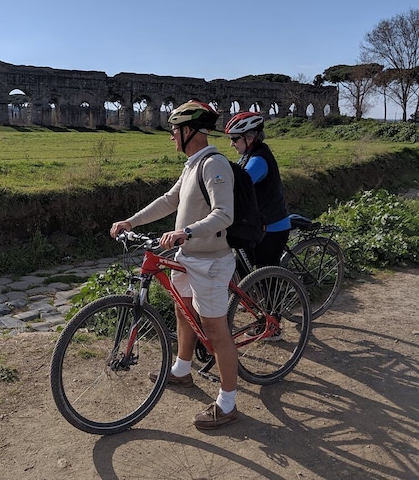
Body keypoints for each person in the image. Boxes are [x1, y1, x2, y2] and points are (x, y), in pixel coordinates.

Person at [110, 100, 240, 430]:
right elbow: (170, 201)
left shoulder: (214, 165)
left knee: (215, 330)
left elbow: (225, 214)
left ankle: (228, 402)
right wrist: (131, 221)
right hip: (188, 257)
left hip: (211, 261)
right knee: (183, 310)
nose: (171, 137)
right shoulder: (193, 165)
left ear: (189, 131)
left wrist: (187, 232)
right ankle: (182, 370)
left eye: (174, 131)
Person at [224, 111, 291, 268]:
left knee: (265, 280)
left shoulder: (258, 160)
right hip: (257, 224)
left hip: (272, 227)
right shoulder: (248, 155)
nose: (231, 144)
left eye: (234, 139)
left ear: (249, 137)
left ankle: (284, 291)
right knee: (242, 272)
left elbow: (238, 188)